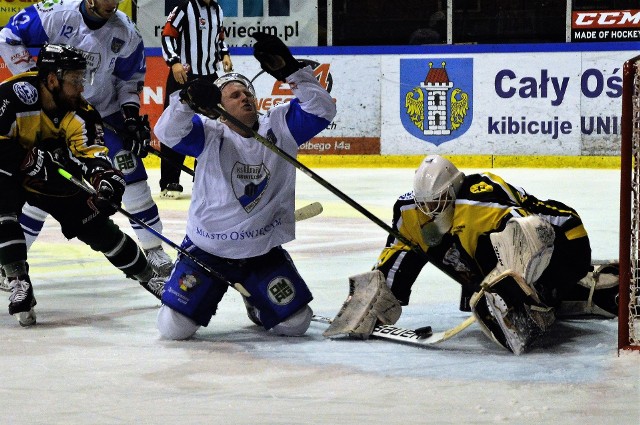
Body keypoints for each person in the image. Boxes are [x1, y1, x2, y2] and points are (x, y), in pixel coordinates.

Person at [326, 155, 619, 354]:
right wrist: (376, 298)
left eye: (438, 201)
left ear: (453, 189)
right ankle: (546, 296)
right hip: (513, 251)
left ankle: (576, 289)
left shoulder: (481, 199)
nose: (430, 211)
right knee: (432, 253)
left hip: (566, 240)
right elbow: (400, 251)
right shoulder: (409, 211)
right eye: (424, 203)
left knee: (513, 253)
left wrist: (513, 295)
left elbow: (532, 235)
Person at [153, 32, 336, 340]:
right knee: (174, 330)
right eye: (234, 96)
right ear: (218, 109)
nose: (244, 98)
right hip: (207, 249)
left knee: (295, 325)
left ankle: (255, 298)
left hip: (260, 252)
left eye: (247, 94)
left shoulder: (279, 126)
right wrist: (186, 101)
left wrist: (292, 71)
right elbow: (167, 132)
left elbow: (323, 110)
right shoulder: (209, 133)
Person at [0, 0, 173, 279]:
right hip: (54, 112)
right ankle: (9, 266)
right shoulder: (56, 13)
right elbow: (8, 36)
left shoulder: (126, 31)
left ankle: (153, 249)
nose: (112, 3)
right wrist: (33, 80)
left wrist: (129, 116)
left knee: (132, 178)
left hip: (102, 113)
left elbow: (130, 79)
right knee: (40, 183)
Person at [0, 44, 166, 326]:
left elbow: (92, 156)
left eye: (82, 79)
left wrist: (105, 180)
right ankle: (18, 280)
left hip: (53, 181)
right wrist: (24, 157)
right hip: (10, 175)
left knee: (100, 230)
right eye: (74, 80)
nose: (81, 87)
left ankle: (150, 278)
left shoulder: (81, 113)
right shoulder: (14, 96)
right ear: (52, 80)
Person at [159, 0, 233, 199]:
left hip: (209, 77)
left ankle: (204, 177)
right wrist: (174, 61)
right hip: (183, 76)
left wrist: (224, 53)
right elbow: (167, 36)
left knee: (213, 128)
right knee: (175, 126)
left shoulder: (217, 10)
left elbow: (219, 37)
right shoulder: (184, 8)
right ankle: (169, 181)